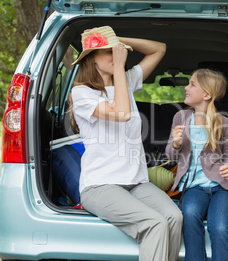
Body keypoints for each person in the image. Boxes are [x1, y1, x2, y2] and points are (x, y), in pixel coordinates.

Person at [69, 26, 182, 261]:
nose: (116, 54)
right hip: (100, 186)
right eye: (107, 51)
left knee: (174, 217)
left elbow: (159, 49)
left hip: (135, 182)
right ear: (92, 59)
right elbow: (122, 112)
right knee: (154, 224)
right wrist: (120, 66)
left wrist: (117, 39)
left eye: (116, 50)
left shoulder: (126, 81)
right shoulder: (82, 94)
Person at [165, 68, 228, 261]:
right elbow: (170, 154)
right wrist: (176, 144)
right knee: (190, 215)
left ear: (206, 95)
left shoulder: (223, 123)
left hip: (222, 188)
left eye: (192, 84)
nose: (186, 87)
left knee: (218, 227)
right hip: (194, 188)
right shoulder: (181, 118)